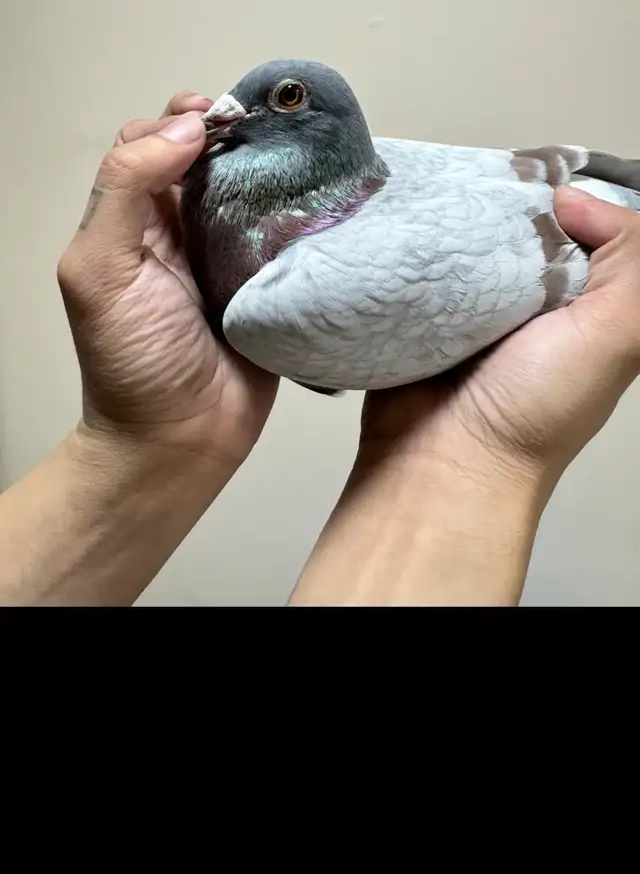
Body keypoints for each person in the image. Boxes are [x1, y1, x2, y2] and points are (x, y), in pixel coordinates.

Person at [1, 91, 639, 606]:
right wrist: (147, 434)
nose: (225, 108)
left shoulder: (296, 300)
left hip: (572, 223)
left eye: (281, 97)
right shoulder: (329, 192)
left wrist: (149, 440)